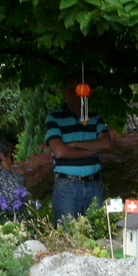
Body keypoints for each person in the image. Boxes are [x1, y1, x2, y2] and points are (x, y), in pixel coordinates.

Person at [45, 75, 111, 224]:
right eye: (73, 90)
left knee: (96, 230)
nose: (78, 95)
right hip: (67, 185)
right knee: (66, 232)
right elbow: (60, 151)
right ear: (63, 91)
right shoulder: (54, 117)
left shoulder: (94, 116)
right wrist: (93, 149)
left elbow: (106, 143)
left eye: (82, 90)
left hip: (95, 183)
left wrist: (74, 144)